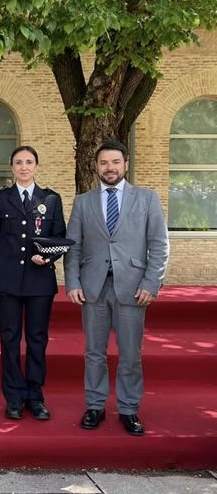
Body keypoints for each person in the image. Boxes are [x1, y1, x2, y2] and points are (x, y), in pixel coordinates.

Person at [65, 140, 169, 436]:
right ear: (96, 167)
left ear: (125, 164)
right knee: (94, 352)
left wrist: (151, 282)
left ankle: (128, 408)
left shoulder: (147, 199)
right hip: (93, 288)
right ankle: (95, 405)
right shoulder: (83, 202)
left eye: (114, 162)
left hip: (134, 287)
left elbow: (159, 245)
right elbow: (73, 246)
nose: (109, 168)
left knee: (130, 353)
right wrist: (72, 281)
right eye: (103, 163)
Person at [0, 145, 65, 421]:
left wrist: (48, 258)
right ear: (12, 167)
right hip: (7, 279)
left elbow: (59, 237)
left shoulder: (51, 199)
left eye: (29, 162)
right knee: (9, 339)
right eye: (18, 162)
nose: (23, 167)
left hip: (39, 280)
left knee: (36, 339)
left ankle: (35, 395)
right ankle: (14, 396)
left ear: (36, 166)